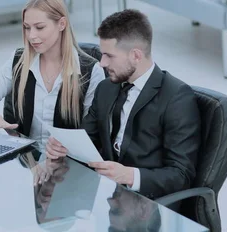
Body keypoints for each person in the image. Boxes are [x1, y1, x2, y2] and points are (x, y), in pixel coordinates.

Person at [46, 9, 201, 202]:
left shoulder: (176, 98)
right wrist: (65, 146)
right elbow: (88, 139)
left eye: (109, 56)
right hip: (107, 195)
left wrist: (129, 176)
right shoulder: (106, 88)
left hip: (150, 205)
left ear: (135, 56)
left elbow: (181, 175)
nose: (101, 63)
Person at [0, 0, 105, 149]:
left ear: (62, 24)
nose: (31, 36)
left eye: (40, 27)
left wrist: (66, 149)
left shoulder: (91, 70)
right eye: (27, 28)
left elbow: (93, 133)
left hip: (71, 163)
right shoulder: (18, 61)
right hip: (26, 161)